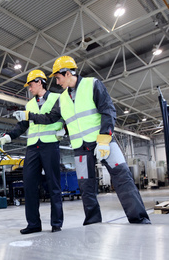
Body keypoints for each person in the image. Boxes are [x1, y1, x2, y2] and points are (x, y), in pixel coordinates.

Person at [14, 56, 150, 225]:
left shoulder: (92, 84)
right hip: (80, 147)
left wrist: (104, 139)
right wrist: (29, 116)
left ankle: (139, 218)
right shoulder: (62, 98)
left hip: (104, 141)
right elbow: (50, 117)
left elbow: (108, 111)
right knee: (86, 186)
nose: (56, 82)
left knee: (123, 177)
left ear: (68, 73)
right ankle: (93, 221)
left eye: (58, 77)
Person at [0, 69, 64, 234]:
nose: (29, 89)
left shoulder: (56, 98)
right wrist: (7, 137)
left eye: (31, 85)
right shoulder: (29, 105)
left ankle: (56, 223)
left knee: (54, 185)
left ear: (39, 82)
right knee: (29, 184)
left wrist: (30, 115)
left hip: (50, 144)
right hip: (33, 147)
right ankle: (33, 224)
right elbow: (21, 126)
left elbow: (51, 118)